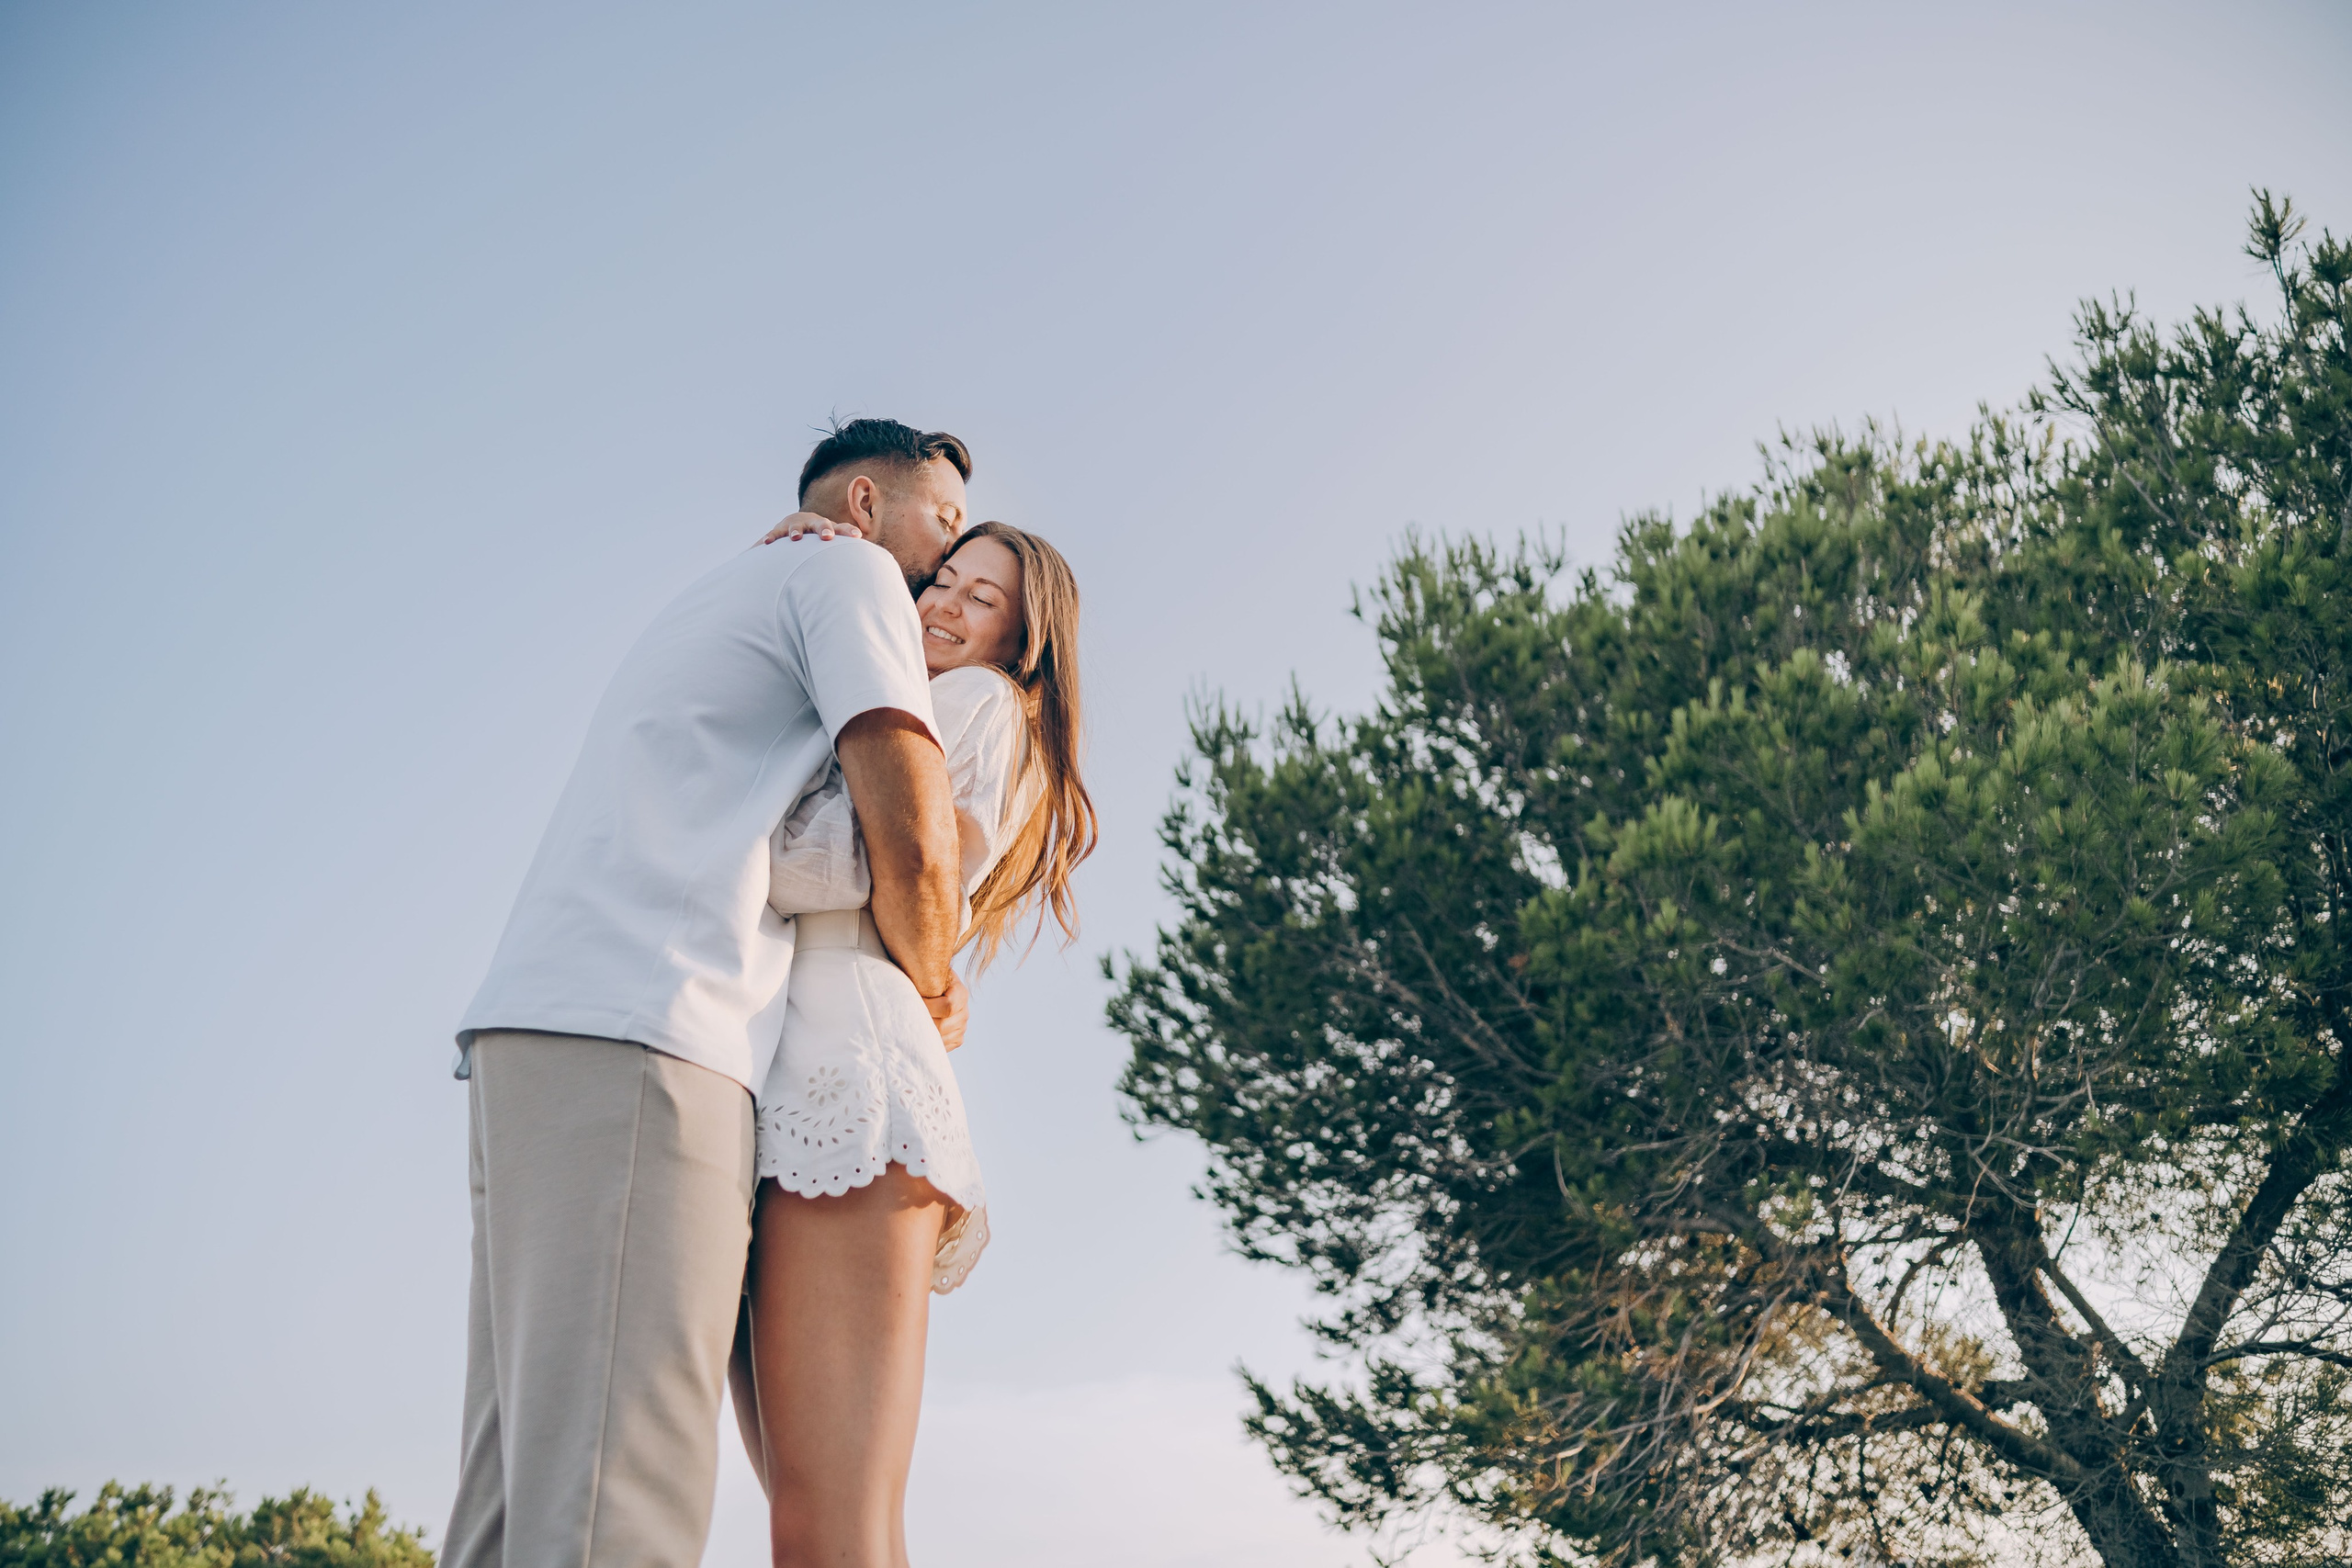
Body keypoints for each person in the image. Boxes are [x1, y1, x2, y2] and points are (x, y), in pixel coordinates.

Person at [444, 418, 973, 1568]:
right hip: (651, 1031)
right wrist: (935, 986)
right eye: (944, 520)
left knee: (515, 1503)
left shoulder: (724, 591)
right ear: (868, 504)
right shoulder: (847, 571)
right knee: (615, 1494)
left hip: (542, 1031)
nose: (955, 548)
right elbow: (915, 829)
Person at [728, 517, 1096, 1567]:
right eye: (943, 579)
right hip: (798, 1064)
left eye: (982, 600)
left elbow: (831, 863)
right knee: (818, 1518)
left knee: (827, 1523)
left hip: (847, 1074)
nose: (943, 603)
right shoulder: (922, 694)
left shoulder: (976, 702)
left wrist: (727, 812)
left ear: (1022, 643)